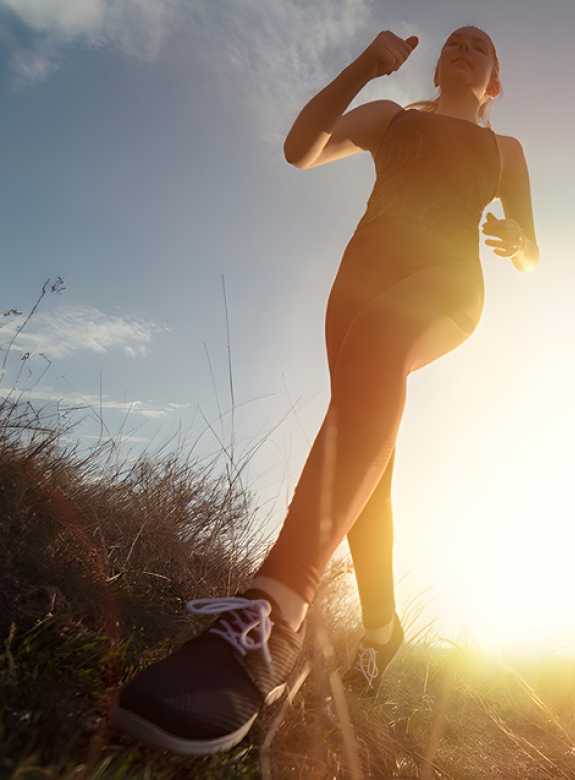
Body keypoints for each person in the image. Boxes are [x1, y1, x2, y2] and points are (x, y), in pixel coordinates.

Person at [112, 26, 539, 756]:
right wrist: (364, 70)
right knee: (368, 453)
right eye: (456, 42)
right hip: (358, 282)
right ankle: (382, 628)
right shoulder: (391, 118)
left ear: (494, 81)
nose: (467, 47)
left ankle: (274, 610)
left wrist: (516, 243)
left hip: (447, 285)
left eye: (482, 47)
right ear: (438, 65)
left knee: (374, 377)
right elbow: (301, 149)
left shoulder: (506, 152)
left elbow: (529, 248)